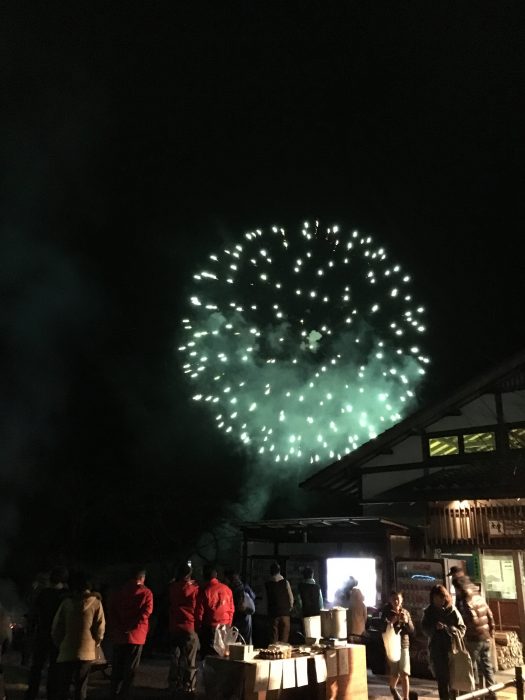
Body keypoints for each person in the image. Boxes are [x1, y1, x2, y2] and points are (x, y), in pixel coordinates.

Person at [51, 571, 105, 700]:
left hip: (66, 650)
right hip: (86, 652)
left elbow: (56, 628)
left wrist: (60, 643)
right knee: (81, 687)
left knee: (63, 687)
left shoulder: (66, 603)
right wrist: (95, 643)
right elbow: (100, 629)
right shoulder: (96, 604)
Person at [25, 565, 69, 700]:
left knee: (37, 666)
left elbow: (34, 614)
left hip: (42, 633)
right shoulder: (65, 597)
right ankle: (52, 694)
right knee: (54, 668)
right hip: (58, 636)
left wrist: (30, 630)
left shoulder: (43, 594)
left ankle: (32, 693)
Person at [109, 568, 154, 700]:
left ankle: (113, 692)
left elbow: (112, 610)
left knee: (117, 666)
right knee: (131, 668)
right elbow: (146, 612)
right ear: (142, 578)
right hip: (136, 635)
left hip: (119, 634)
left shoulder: (119, 591)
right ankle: (124, 694)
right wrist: (133, 626)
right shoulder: (146, 593)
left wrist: (118, 626)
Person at [422, 584, 466, 700]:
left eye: (441, 598)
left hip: (452, 649)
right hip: (436, 650)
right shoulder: (429, 612)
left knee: (453, 679)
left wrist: (448, 628)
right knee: (442, 680)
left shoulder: (452, 611)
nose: (438, 601)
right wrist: (434, 628)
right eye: (435, 598)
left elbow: (462, 628)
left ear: (445, 598)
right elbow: (424, 629)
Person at [454, 577, 495, 692]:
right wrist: (491, 631)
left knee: (472, 667)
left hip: (474, 638)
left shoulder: (466, 601)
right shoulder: (479, 598)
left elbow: (472, 619)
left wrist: (466, 632)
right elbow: (490, 615)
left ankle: (474, 693)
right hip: (485, 637)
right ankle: (492, 693)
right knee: (487, 666)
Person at [168, 563, 200, 693]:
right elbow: (197, 606)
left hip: (174, 626)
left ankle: (173, 683)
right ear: (189, 575)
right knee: (189, 659)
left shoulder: (172, 587)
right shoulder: (194, 589)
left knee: (175, 657)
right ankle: (189, 685)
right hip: (188, 626)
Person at [380, 591, 414, 700]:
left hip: (403, 645)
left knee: (404, 672)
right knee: (395, 673)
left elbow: (412, 630)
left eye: (398, 598)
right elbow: (382, 628)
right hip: (392, 646)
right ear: (390, 600)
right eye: (394, 598)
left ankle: (406, 698)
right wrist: (392, 622)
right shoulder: (386, 612)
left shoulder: (405, 612)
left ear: (401, 600)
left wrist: (407, 621)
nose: (396, 601)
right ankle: (392, 688)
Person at [195, 565, 234, 658]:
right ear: (216, 576)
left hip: (210, 627)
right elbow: (231, 609)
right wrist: (228, 624)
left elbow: (199, 612)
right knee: (223, 654)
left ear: (204, 577)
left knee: (208, 656)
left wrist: (198, 627)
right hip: (225, 626)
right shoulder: (227, 589)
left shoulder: (205, 591)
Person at [265, 562, 294, 644]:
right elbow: (291, 598)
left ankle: (274, 655)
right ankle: (283, 654)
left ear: (270, 571)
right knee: (284, 638)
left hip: (273, 614)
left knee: (274, 638)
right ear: (279, 571)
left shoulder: (267, 584)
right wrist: (289, 608)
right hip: (285, 614)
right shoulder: (285, 582)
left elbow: (265, 600)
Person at [224, 570, 256, 644]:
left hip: (238, 617)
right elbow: (253, 596)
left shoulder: (232, 589)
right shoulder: (244, 587)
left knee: (237, 640)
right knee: (246, 640)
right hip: (246, 616)